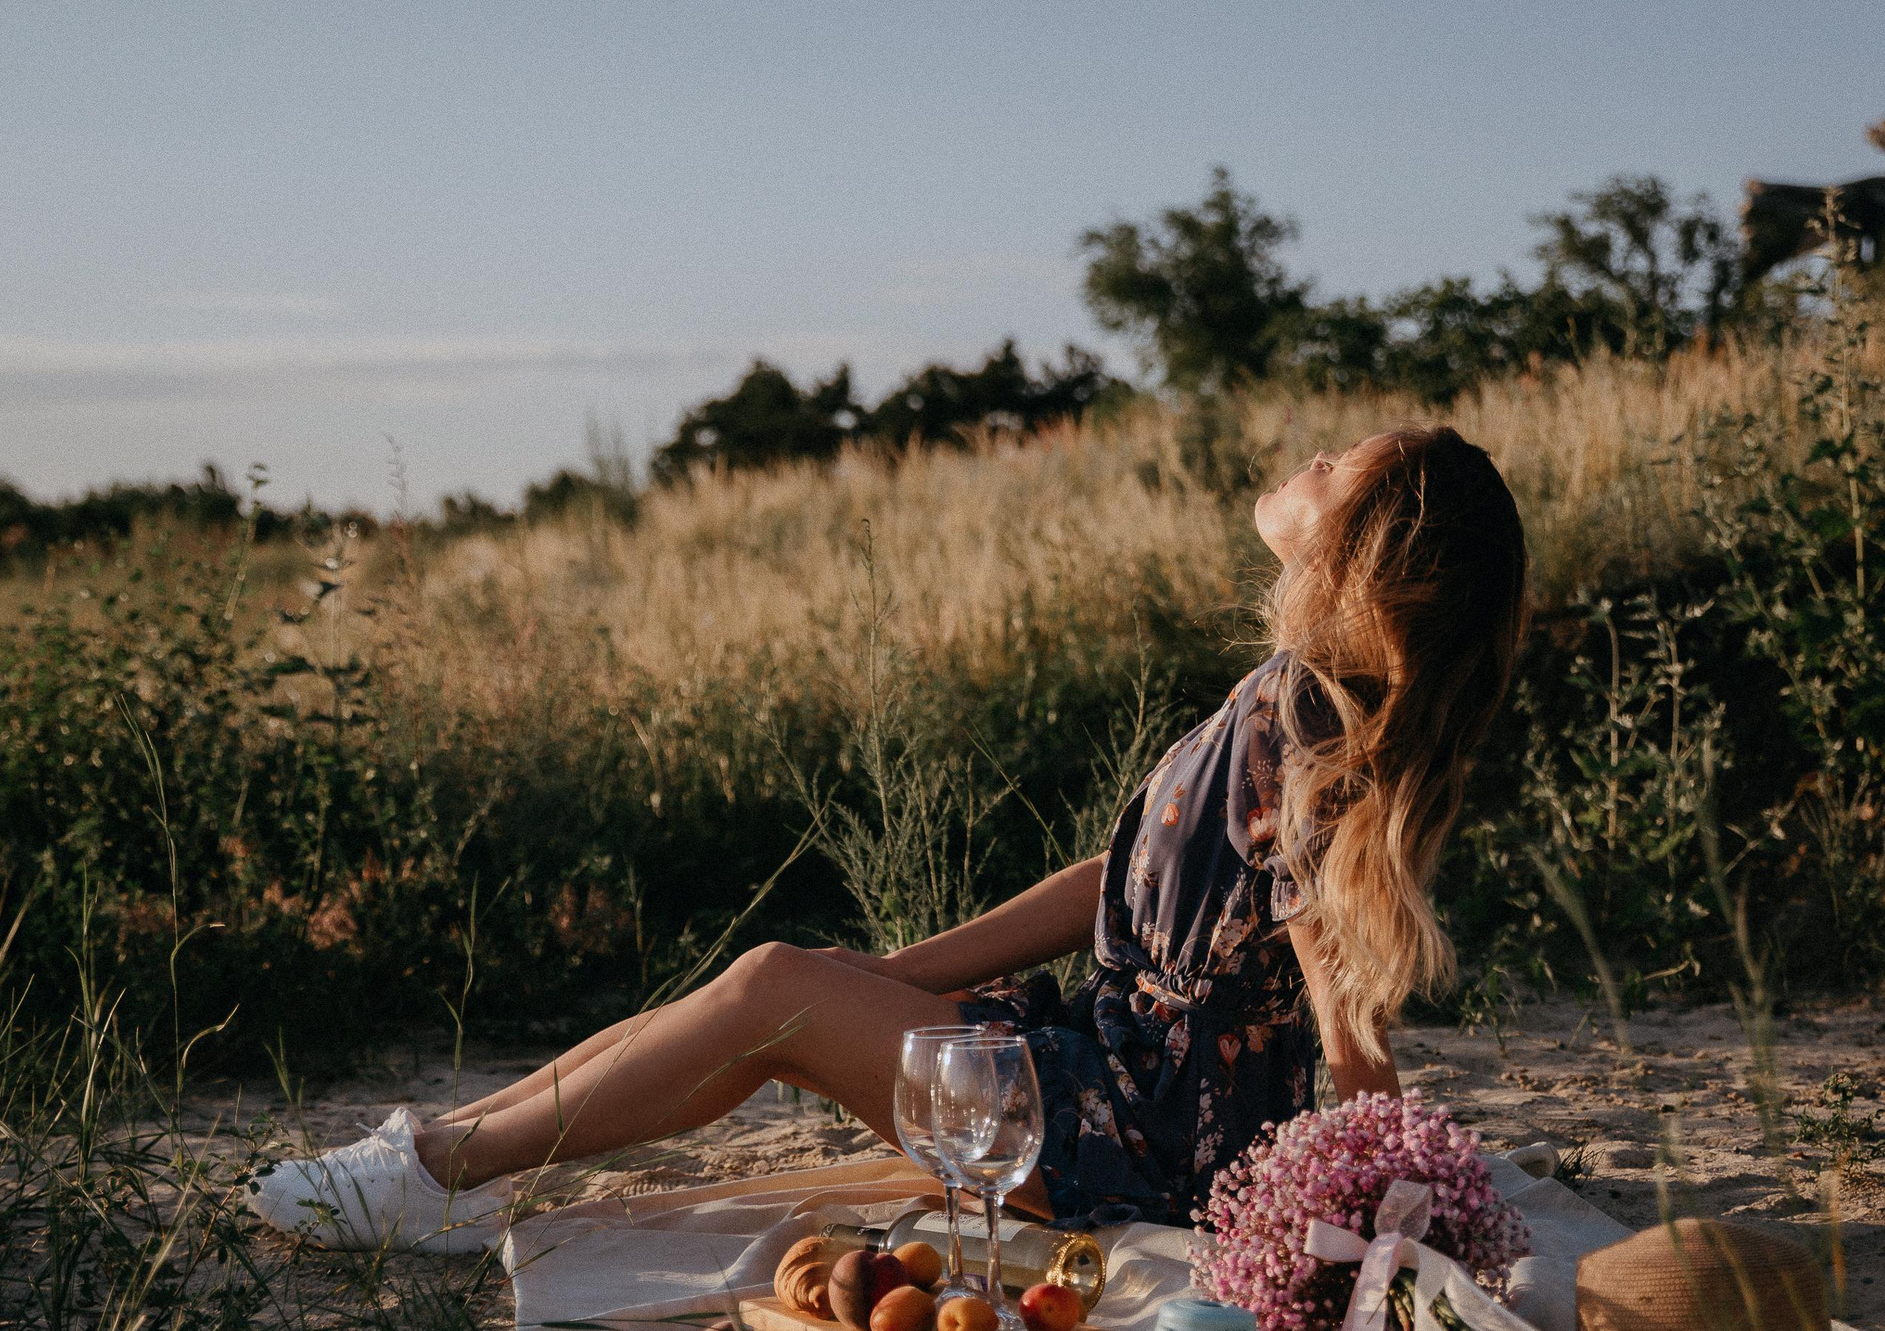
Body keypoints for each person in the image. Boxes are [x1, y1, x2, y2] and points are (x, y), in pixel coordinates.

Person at [246, 425, 1529, 1253]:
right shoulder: (1283, 687)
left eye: (1336, 466)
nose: (1306, 459)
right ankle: (447, 1161)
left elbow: (1336, 987)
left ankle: (439, 1175)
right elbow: (1118, 879)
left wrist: (1380, 1196)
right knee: (788, 971)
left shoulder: (1311, 716)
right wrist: (896, 974)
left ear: (1362, 547)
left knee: (769, 992)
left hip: (1132, 1143)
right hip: (1098, 1069)